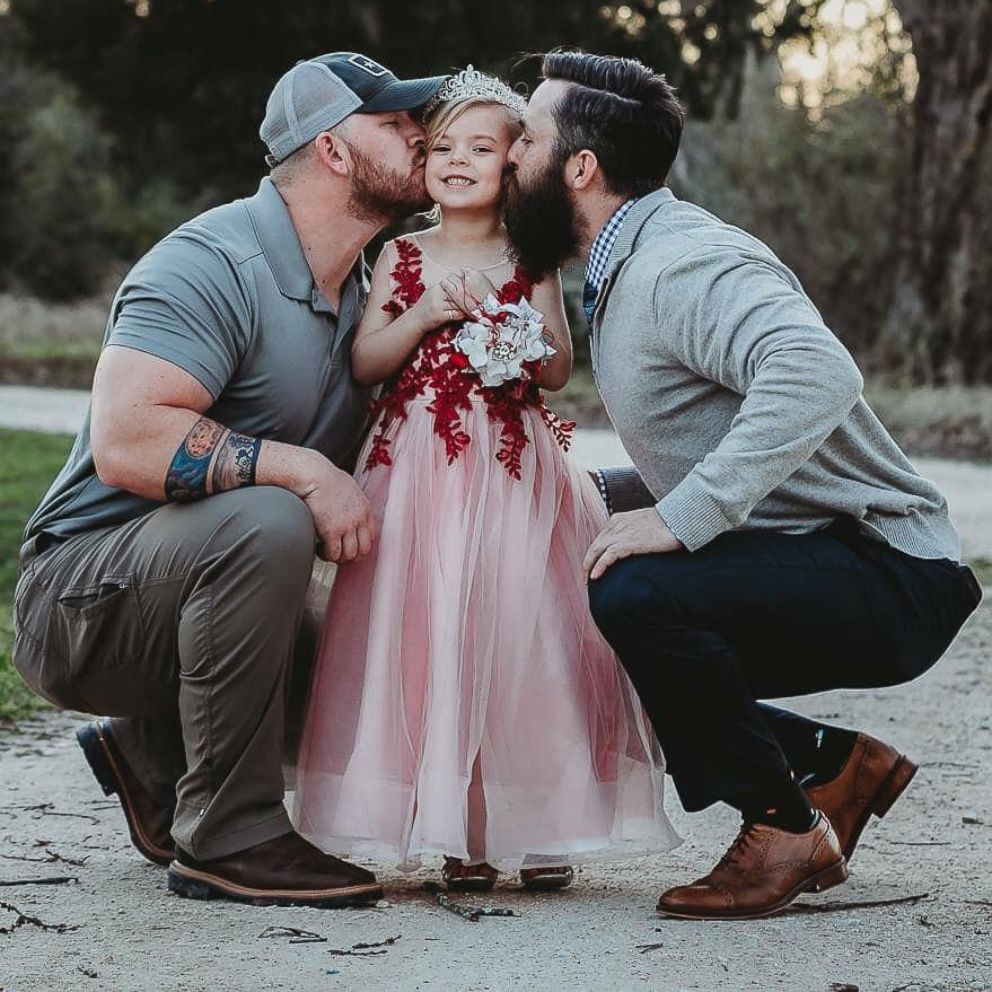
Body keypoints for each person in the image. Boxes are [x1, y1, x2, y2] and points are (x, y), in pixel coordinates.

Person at [503, 50, 983, 919]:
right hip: (824, 551)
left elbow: (814, 371)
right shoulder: (627, 260)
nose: (505, 155)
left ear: (580, 167)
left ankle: (782, 827)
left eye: (524, 139)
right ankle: (832, 767)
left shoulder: (681, 261)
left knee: (639, 595)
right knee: (586, 558)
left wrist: (684, 517)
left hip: (891, 569)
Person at [11, 52, 448, 908]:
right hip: (76, 601)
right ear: (331, 149)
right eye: (395, 123)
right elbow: (129, 441)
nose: (421, 136)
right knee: (269, 518)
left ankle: (154, 751)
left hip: (187, 588)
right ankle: (228, 835)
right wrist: (303, 470)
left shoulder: (368, 295)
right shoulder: (211, 261)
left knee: (386, 664)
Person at [292, 67, 678, 893]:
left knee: (519, 635)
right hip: (417, 475)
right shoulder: (399, 254)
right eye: (441, 148)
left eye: (481, 147)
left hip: (512, 476)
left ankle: (539, 828)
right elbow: (365, 361)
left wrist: (512, 334)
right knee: (430, 638)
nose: (456, 161)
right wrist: (426, 314)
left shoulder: (527, 254)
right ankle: (459, 831)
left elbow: (556, 369)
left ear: (514, 166)